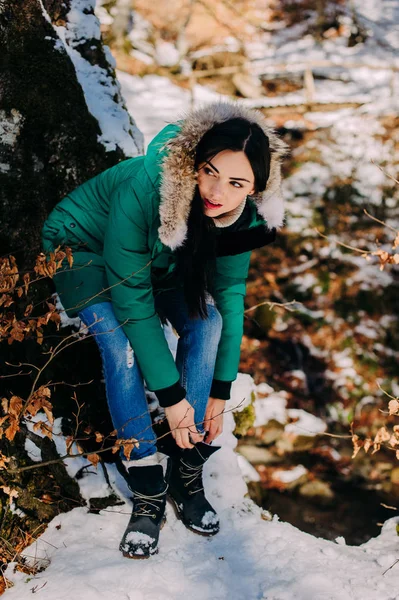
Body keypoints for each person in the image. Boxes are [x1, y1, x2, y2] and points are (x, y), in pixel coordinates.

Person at [41, 101, 287, 559]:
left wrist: (220, 391)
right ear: (195, 161)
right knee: (120, 345)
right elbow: (133, 303)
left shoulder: (240, 218)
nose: (217, 191)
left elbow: (230, 299)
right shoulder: (147, 187)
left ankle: (185, 469)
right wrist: (173, 402)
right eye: (210, 172)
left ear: (255, 189)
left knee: (207, 322)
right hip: (87, 248)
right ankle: (146, 479)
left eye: (237, 183)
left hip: (160, 262)